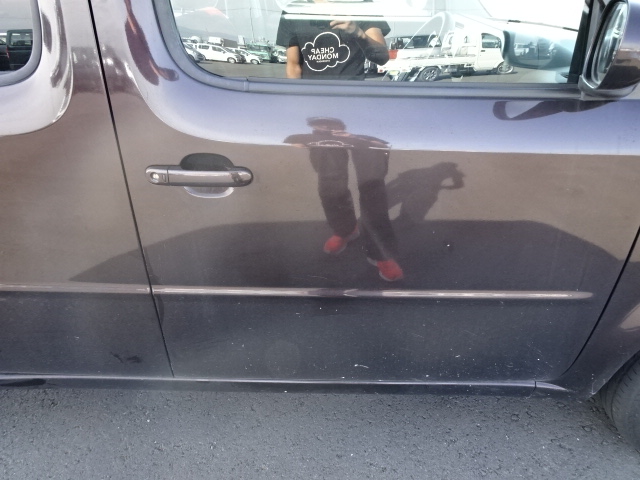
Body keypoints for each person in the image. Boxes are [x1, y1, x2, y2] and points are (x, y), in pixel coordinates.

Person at [285, 118, 403, 282]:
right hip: (326, 117)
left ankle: (380, 252)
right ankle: (345, 229)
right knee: (330, 183)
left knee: (373, 188)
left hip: (370, 119)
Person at [276, 0, 390, 80]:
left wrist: (357, 32)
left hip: (352, 97)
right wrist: (296, 100)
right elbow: (293, 67)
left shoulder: (361, 5)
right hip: (312, 98)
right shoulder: (295, 9)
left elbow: (382, 57)